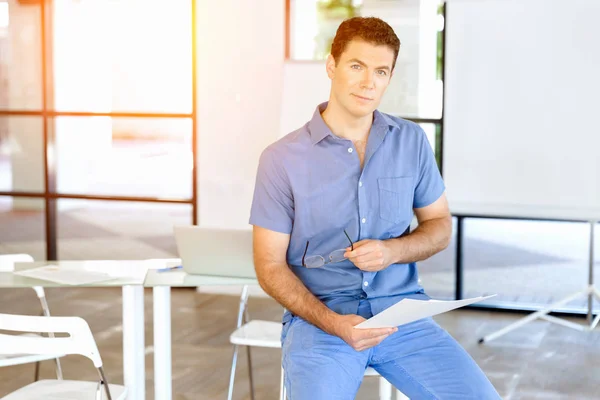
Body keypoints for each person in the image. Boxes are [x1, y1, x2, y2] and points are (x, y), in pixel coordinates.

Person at [249, 16, 500, 400]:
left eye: (381, 71)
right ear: (331, 65)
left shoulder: (411, 141)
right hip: (321, 323)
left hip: (404, 318)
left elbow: (439, 225)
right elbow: (269, 267)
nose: (369, 82)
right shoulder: (281, 159)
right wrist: (333, 323)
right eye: (356, 66)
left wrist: (392, 251)